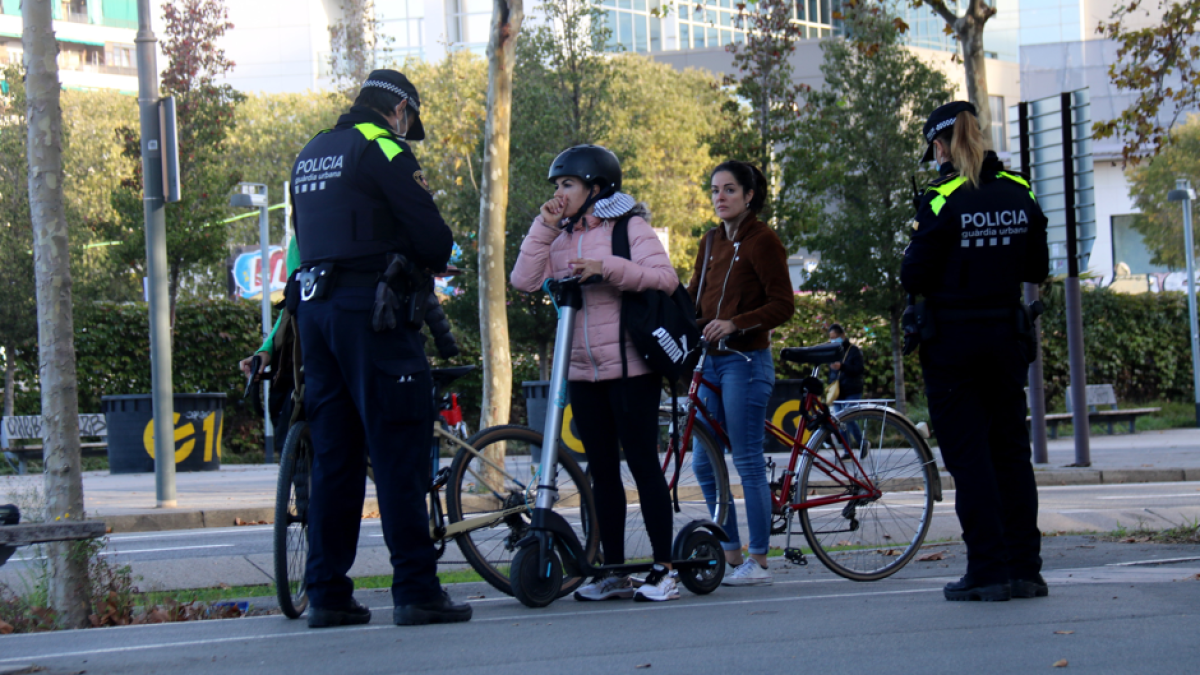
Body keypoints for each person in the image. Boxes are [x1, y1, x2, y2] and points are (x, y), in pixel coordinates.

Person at [240, 70, 471, 627]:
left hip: (315, 315)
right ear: (397, 109)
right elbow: (433, 236)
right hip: (374, 314)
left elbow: (304, 241)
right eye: (409, 119)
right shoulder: (381, 147)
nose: (406, 128)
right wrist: (443, 256)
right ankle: (416, 589)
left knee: (335, 459)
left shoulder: (311, 151)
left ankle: (327, 593)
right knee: (397, 450)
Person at [510, 145, 683, 602]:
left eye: (567, 184)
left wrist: (605, 267)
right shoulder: (558, 236)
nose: (559, 194)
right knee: (601, 472)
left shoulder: (629, 227)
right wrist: (544, 226)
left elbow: (665, 279)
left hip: (631, 368)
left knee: (643, 464)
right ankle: (613, 570)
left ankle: (664, 569)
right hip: (583, 372)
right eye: (556, 186)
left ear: (597, 188)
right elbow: (523, 282)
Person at [901, 101, 1049, 602]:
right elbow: (1037, 266)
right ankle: (1025, 569)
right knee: (1010, 453)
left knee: (970, 458)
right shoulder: (1019, 190)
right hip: (1007, 338)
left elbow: (913, 275)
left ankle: (987, 570)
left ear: (939, 147)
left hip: (953, 346)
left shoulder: (943, 198)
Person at [688, 160, 795, 586]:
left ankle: (759, 558)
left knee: (746, 460)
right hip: (709, 360)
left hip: (746, 361)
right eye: (715, 190)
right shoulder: (710, 240)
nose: (720, 197)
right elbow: (695, 299)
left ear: (749, 196)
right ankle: (729, 551)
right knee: (702, 461)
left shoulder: (763, 240)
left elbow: (783, 304)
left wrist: (736, 323)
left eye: (729, 190)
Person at [827, 324, 864, 452]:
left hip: (852, 389)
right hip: (838, 391)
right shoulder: (833, 351)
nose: (833, 340)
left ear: (842, 336)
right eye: (831, 338)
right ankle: (847, 450)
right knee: (839, 420)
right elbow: (831, 372)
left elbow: (859, 369)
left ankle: (861, 443)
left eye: (835, 337)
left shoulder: (853, 351)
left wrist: (842, 367)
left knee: (849, 417)